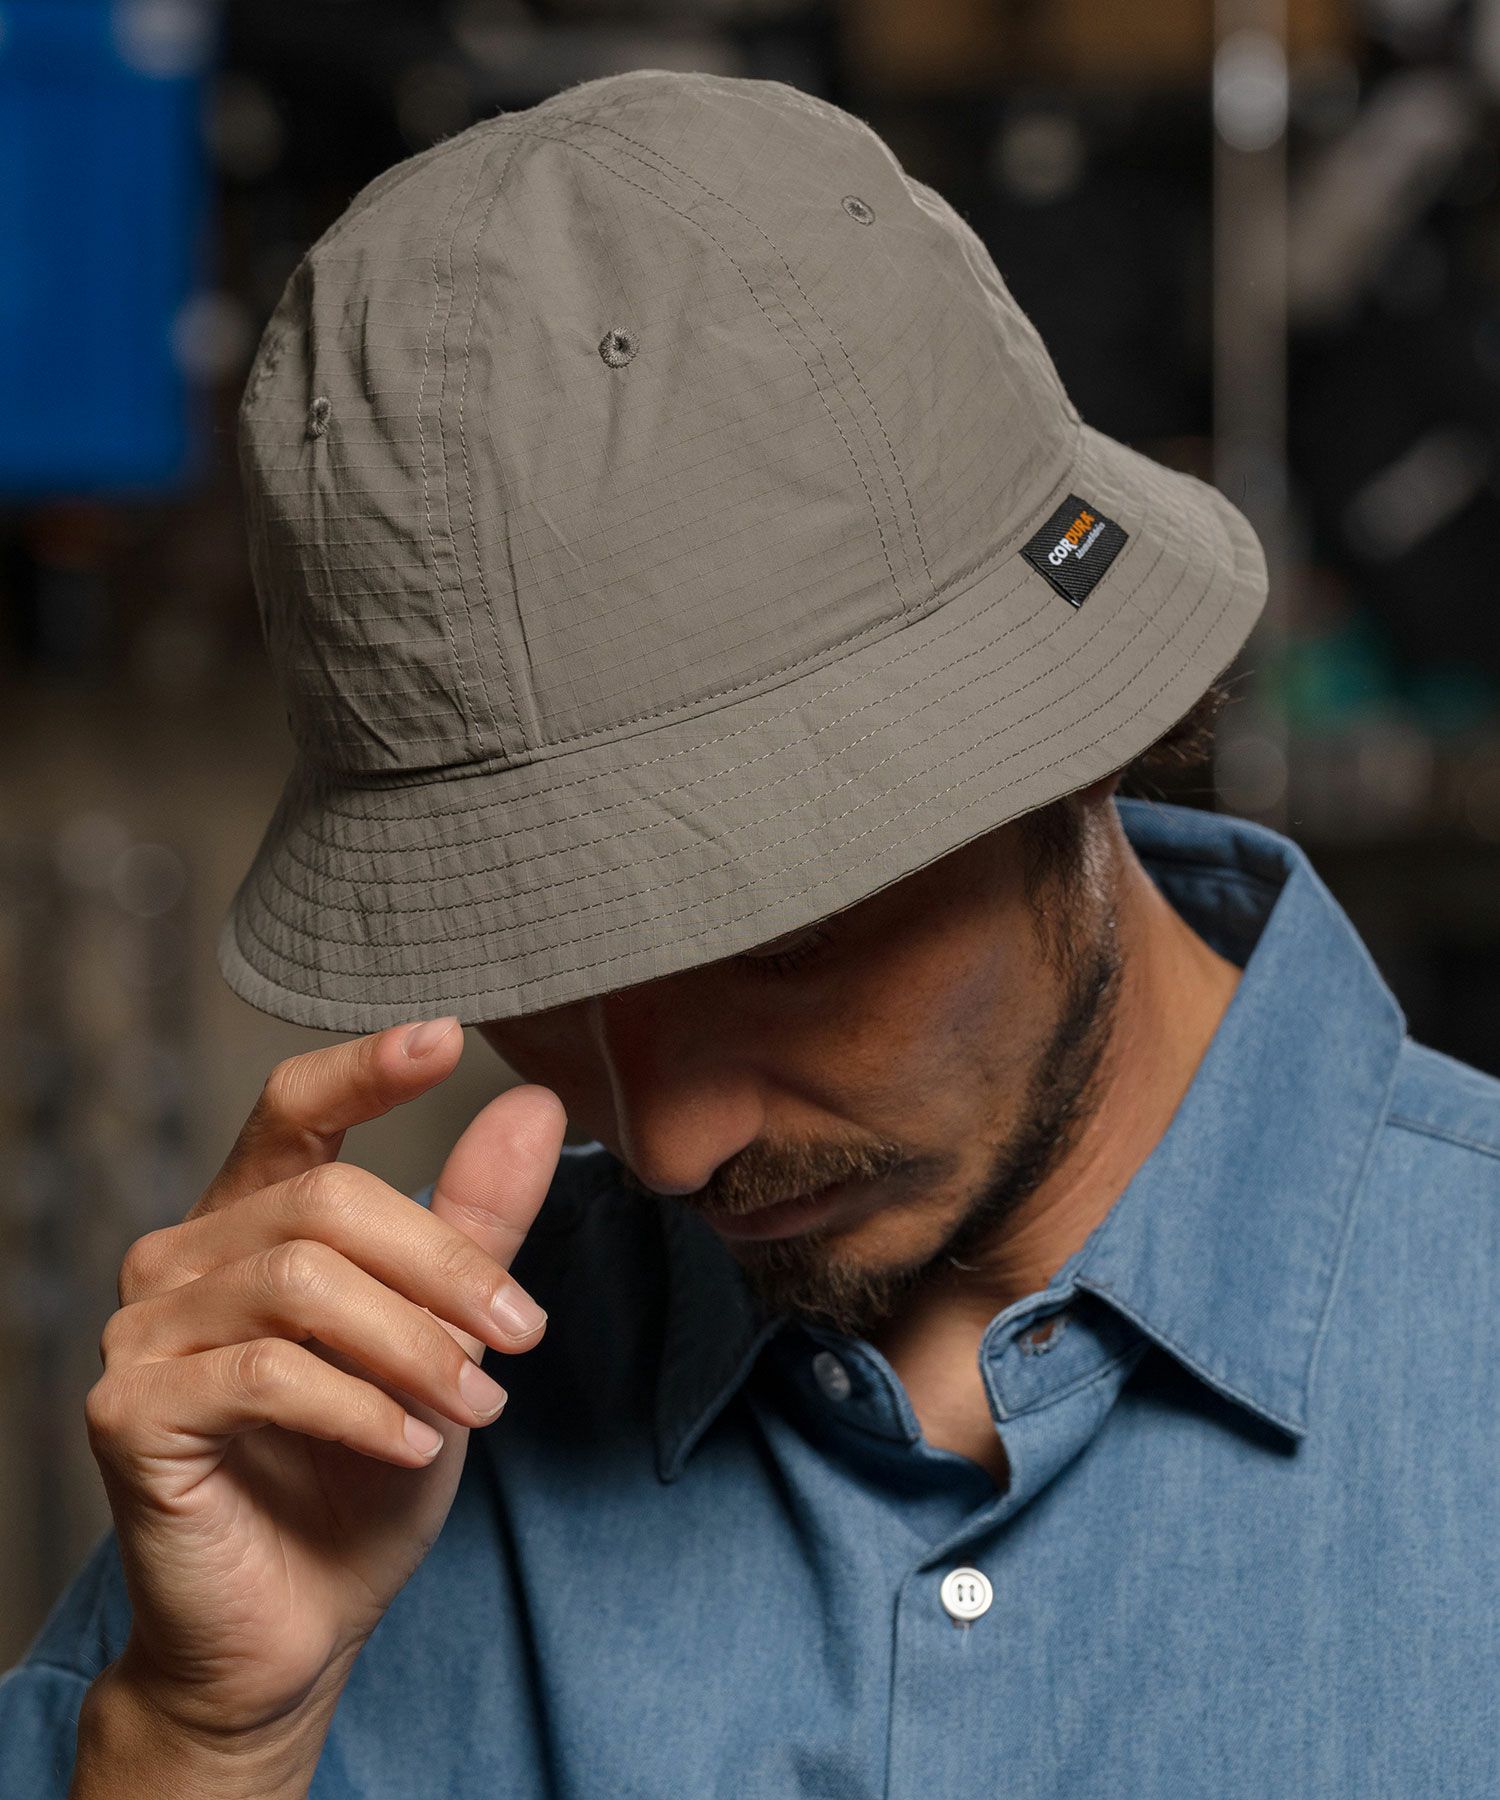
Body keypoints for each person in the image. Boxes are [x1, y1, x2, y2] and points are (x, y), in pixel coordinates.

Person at [3, 66, 1497, 1799]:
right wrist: (202, 1740)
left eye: (781, 944)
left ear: (1080, 740)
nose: (666, 1145)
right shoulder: (326, 1469)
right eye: (537, 978)